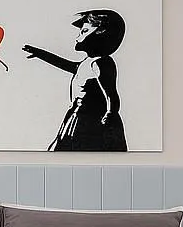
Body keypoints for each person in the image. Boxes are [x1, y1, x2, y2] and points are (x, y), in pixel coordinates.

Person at [23, 8, 128, 151]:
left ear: (101, 34)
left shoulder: (101, 63)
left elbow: (111, 93)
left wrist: (110, 114)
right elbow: (65, 64)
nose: (78, 36)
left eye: (84, 31)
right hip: (77, 115)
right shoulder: (87, 62)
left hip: (91, 120)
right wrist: (40, 53)